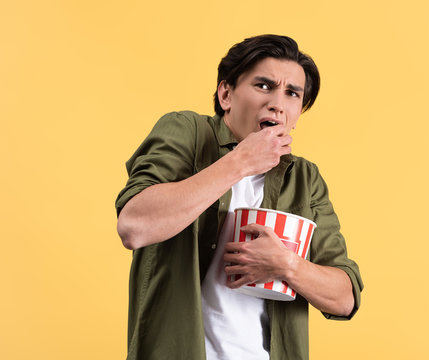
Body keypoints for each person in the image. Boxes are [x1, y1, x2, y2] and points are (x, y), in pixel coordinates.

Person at [115, 34, 363, 360]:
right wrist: (239, 163)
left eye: (292, 93)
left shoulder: (304, 179)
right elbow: (134, 225)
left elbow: (345, 297)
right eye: (264, 86)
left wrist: (285, 265)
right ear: (226, 94)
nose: (277, 102)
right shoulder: (187, 133)